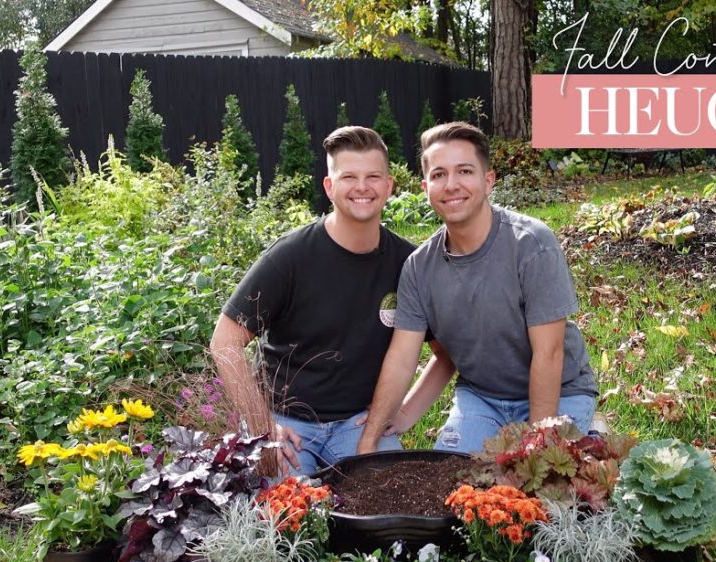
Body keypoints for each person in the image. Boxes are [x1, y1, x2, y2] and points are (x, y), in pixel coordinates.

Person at [210, 126, 452, 475]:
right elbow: (225, 341)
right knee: (288, 506)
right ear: (329, 186)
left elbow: (446, 354)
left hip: (359, 424)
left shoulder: (409, 264)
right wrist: (263, 428)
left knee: (386, 498)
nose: (362, 187)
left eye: (373, 177)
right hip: (287, 423)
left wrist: (402, 414)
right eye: (348, 177)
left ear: (389, 186)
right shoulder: (291, 257)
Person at [356, 121, 599, 456]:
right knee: (456, 481)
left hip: (560, 393)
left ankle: (591, 432)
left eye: (465, 171)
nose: (451, 184)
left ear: (488, 181)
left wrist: (536, 445)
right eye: (439, 174)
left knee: (535, 482)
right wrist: (387, 425)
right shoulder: (418, 268)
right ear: (426, 187)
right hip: (482, 397)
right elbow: (401, 358)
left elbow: (549, 354)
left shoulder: (531, 244)